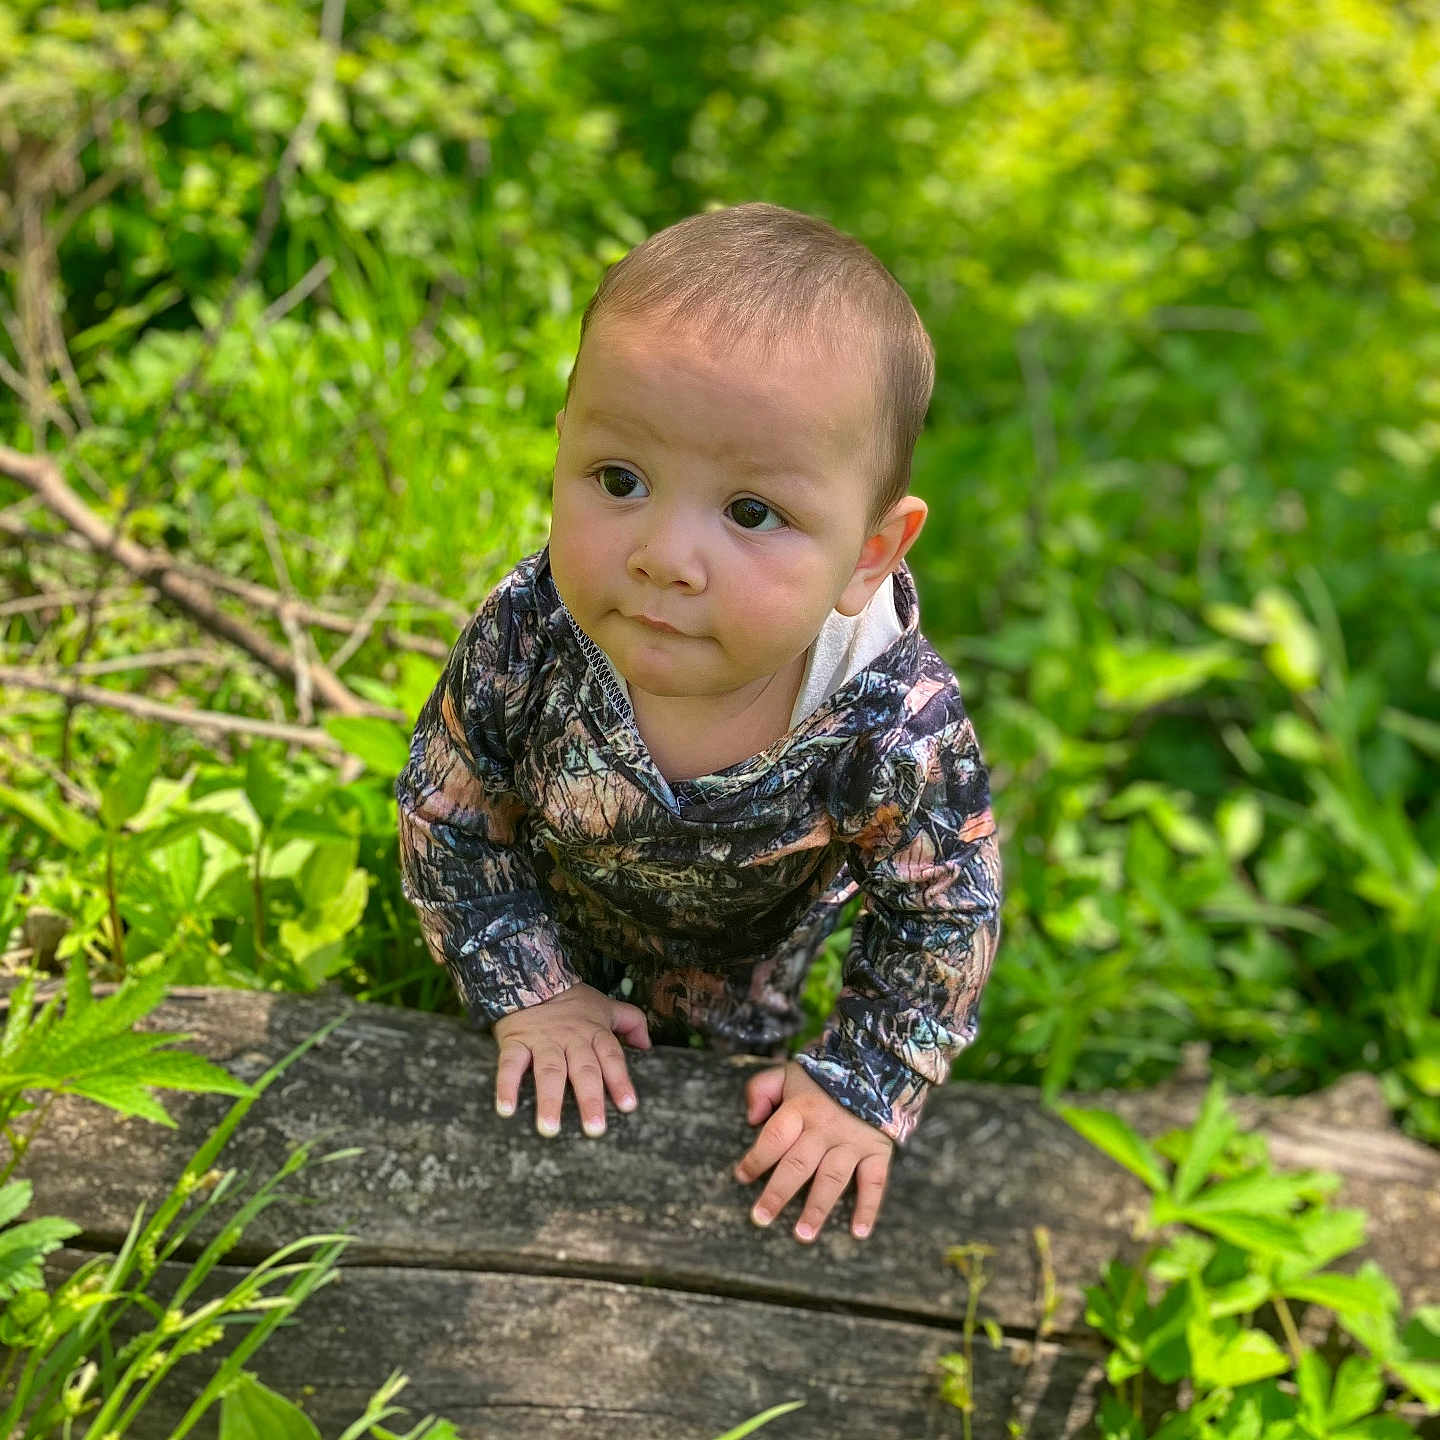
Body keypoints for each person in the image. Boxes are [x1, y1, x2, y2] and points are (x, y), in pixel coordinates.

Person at [396, 201, 1002, 1244]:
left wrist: (861, 1084)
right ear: (561, 452)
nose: (664, 556)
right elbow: (450, 809)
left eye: (752, 512)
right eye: (618, 480)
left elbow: (944, 914)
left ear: (869, 553)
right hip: (539, 930)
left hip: (740, 998)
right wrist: (527, 988)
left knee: (714, 1193)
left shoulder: (893, 726)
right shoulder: (533, 631)